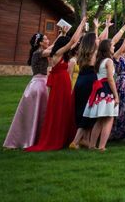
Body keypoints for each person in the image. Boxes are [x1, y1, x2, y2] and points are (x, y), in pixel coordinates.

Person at [27, 17, 87, 151]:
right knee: (59, 110)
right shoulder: (57, 54)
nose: (69, 47)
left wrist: (67, 33)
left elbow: (71, 42)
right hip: (60, 84)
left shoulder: (57, 52)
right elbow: (72, 41)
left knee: (65, 109)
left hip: (64, 82)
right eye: (66, 45)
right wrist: (81, 23)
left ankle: (66, 136)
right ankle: (57, 137)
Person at [3, 32, 52, 149]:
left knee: (32, 114)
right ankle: (33, 138)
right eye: (45, 39)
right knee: (40, 112)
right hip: (39, 86)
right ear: (40, 43)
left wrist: (62, 35)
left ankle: (30, 137)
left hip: (35, 84)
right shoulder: (40, 53)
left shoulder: (37, 52)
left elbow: (52, 47)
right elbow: (54, 49)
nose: (48, 41)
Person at [83, 37, 120, 150]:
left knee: (100, 119)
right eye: (112, 45)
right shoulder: (108, 61)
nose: (114, 47)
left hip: (99, 90)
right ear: (108, 48)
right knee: (109, 118)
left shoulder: (99, 61)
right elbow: (110, 79)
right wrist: (116, 96)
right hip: (106, 90)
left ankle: (92, 145)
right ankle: (102, 146)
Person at [68, 32, 98, 149]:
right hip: (90, 81)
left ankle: (84, 140)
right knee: (88, 110)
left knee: (81, 109)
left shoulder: (81, 52)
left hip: (80, 81)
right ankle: (75, 141)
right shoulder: (93, 52)